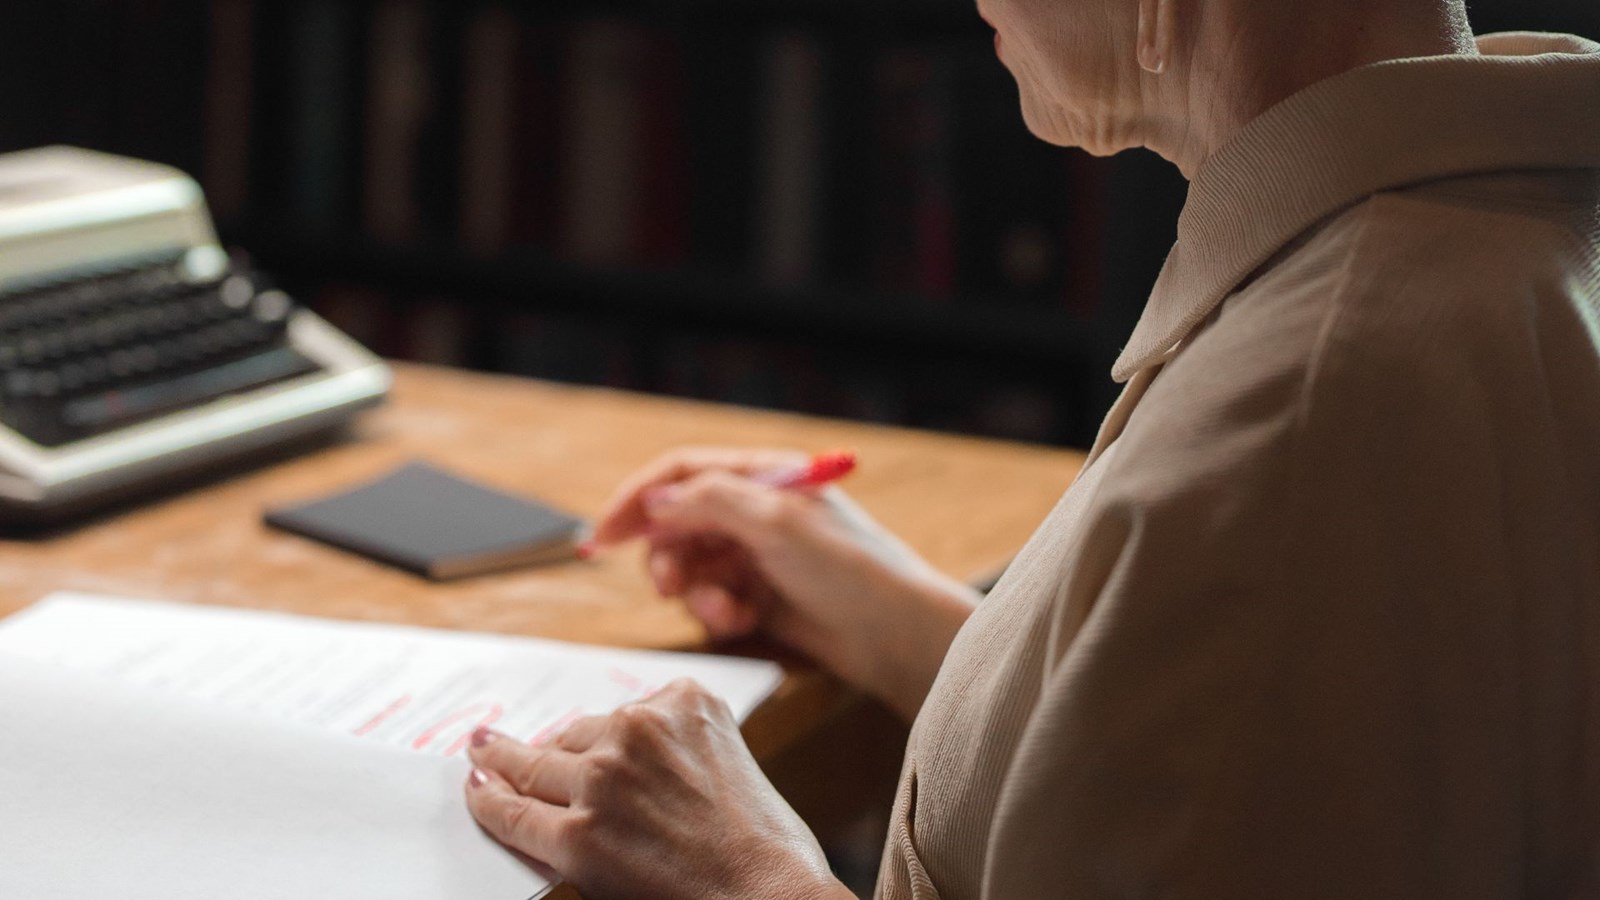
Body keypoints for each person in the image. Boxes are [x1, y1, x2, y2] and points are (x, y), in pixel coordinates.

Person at [461, 1, 1600, 897]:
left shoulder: (1307, 415)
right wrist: (891, 615)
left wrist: (739, 877)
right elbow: (1231, 766)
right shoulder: (1498, 238)